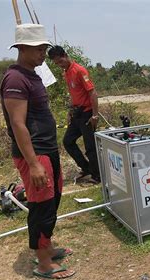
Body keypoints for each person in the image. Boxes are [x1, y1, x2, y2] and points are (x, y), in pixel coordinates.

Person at [0, 24, 75, 279]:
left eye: (44, 47)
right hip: (35, 153)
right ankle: (43, 262)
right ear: (22, 48)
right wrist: (33, 164)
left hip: (47, 149)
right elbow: (18, 124)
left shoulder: (32, 74)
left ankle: (48, 247)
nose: (44, 52)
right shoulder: (15, 78)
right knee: (41, 204)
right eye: (39, 48)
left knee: (52, 201)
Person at [48, 45, 100, 183]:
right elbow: (73, 94)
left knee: (90, 147)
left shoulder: (79, 70)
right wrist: (70, 111)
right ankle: (86, 168)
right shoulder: (66, 72)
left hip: (87, 113)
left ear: (65, 55)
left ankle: (97, 176)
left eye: (60, 61)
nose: (59, 65)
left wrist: (95, 115)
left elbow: (92, 92)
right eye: (56, 63)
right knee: (68, 141)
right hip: (77, 114)